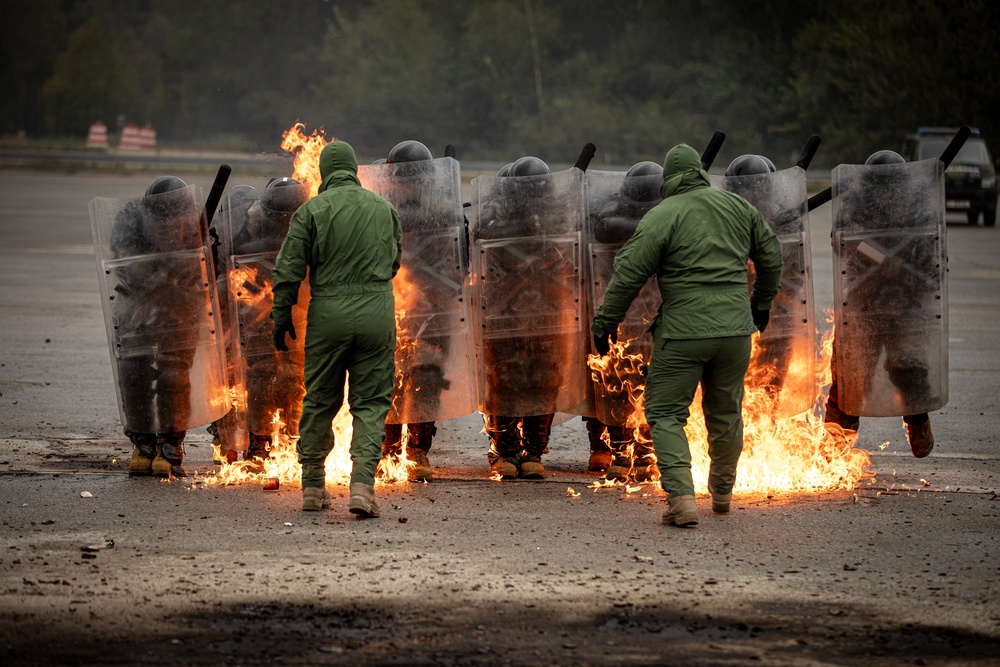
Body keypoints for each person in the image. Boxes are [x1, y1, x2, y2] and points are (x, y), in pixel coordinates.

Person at [591, 144, 782, 527]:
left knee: (664, 413)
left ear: (668, 179)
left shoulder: (664, 214)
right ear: (699, 172)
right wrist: (760, 304)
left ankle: (681, 500)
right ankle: (723, 495)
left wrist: (605, 322)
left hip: (683, 334)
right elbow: (772, 257)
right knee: (726, 413)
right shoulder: (739, 207)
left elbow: (629, 272)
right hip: (735, 332)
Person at [271, 140, 402, 517]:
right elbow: (394, 262)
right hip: (377, 312)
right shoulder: (384, 208)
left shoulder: (311, 210)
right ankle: (362, 486)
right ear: (354, 169)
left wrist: (281, 317)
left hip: (328, 314)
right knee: (371, 404)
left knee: (320, 400)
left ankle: (313, 486)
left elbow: (289, 269)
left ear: (325, 172)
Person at [94, 175, 230, 478]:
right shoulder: (130, 220)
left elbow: (213, 267)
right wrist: (163, 276)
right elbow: (124, 263)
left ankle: (170, 445)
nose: (168, 226)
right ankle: (142, 443)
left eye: (174, 219)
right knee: (134, 372)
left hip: (181, 307)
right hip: (139, 305)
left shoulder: (200, 225)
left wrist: (187, 268)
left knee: (174, 374)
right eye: (161, 219)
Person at [824, 150, 942, 457]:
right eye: (877, 186)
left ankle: (917, 425)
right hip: (863, 307)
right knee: (850, 380)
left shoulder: (918, 212)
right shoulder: (855, 208)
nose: (883, 193)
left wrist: (906, 271)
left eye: (888, 187)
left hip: (905, 309)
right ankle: (833, 448)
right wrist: (879, 257)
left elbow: (932, 261)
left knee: (910, 373)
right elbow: (840, 241)